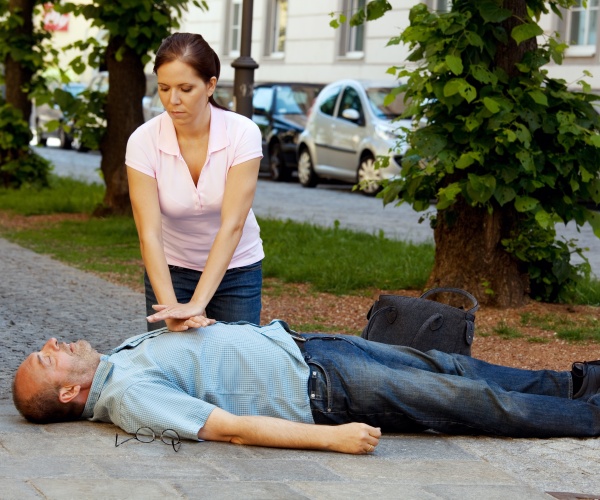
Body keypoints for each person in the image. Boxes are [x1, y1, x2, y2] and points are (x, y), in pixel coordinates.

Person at [12, 320, 600, 455]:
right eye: (49, 357)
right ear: (69, 395)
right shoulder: (130, 398)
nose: (57, 343)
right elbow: (231, 430)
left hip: (307, 347)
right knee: (472, 402)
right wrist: (334, 440)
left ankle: (581, 384)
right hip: (324, 388)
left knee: (455, 367)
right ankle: (589, 415)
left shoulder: (117, 362)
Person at [126, 32, 264, 332]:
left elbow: (233, 225)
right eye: (163, 88)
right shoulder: (142, 141)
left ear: (210, 85)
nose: (172, 100)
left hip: (237, 269)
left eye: (185, 88)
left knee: (235, 366)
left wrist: (197, 302)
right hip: (171, 270)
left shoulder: (242, 133)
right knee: (171, 368)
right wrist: (172, 309)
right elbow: (148, 233)